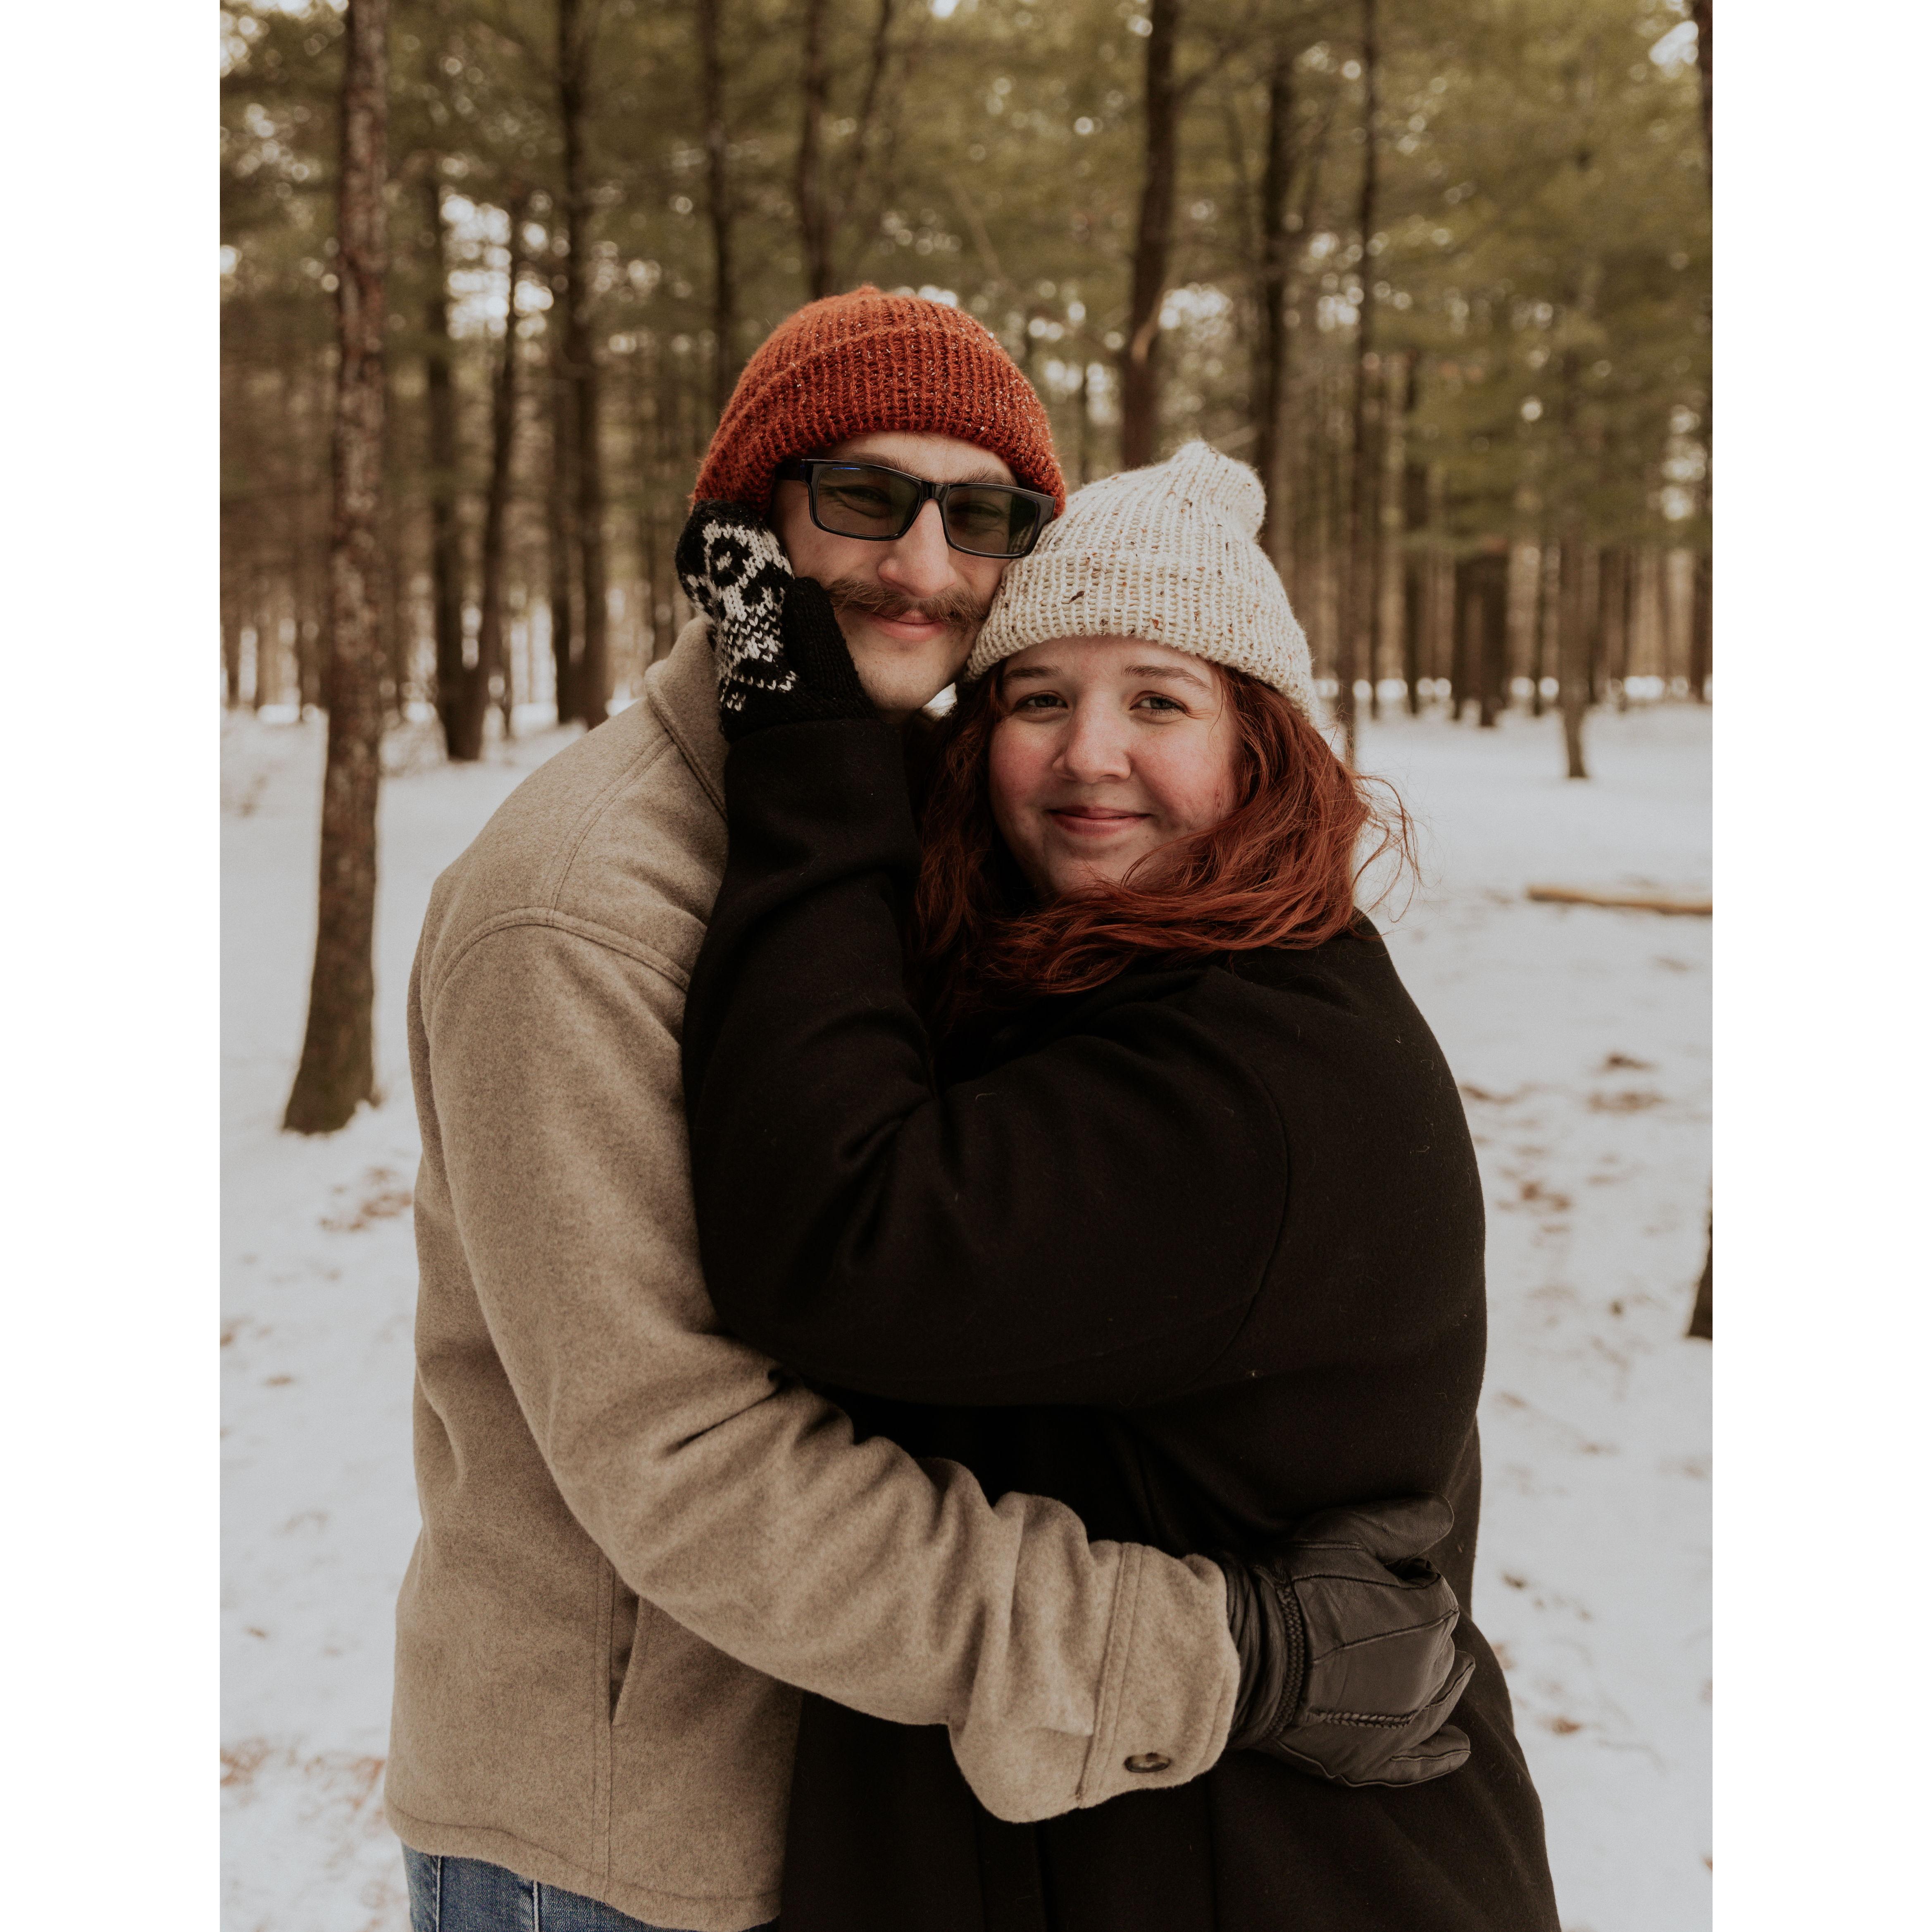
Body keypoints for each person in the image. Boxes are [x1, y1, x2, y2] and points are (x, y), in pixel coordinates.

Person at [386, 294, 1458, 1932]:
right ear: (747, 536)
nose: (922, 562)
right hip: (635, 1837)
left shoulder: (939, 834)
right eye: (864, 495)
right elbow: (687, 1459)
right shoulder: (583, 904)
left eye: (983, 514)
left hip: (884, 1811)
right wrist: (1219, 1653)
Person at [679, 441, 1563, 1930]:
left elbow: (836, 1236)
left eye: (1158, 700)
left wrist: (813, 751)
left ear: (1257, 748)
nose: (1090, 753)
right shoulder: (1102, 986)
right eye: (1037, 699)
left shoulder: (1265, 1080)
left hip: (1286, 1882)